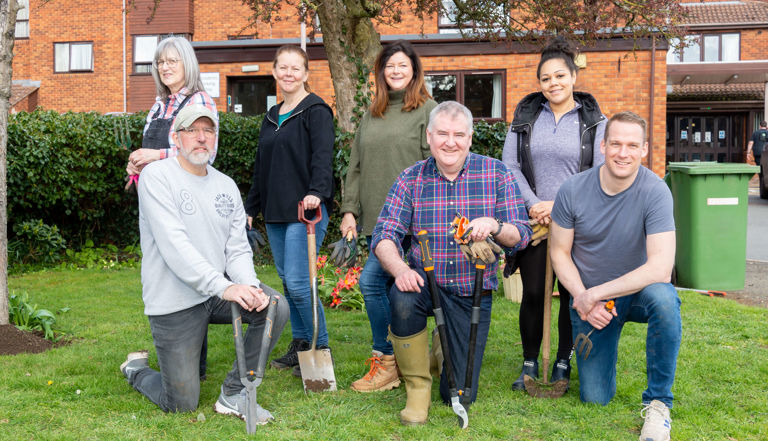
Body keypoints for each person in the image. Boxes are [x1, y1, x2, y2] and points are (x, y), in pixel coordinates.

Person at [120, 104, 289, 424]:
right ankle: (136, 371)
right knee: (181, 401)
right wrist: (225, 286)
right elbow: (175, 247)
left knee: (273, 305)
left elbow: (237, 248)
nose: (200, 138)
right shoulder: (156, 177)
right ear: (176, 138)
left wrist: (250, 286)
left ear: (215, 138)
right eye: (192, 130)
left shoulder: (225, 185)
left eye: (208, 130)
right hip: (174, 301)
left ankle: (235, 392)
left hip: (215, 293)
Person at [372, 101, 532, 425]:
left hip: (469, 292)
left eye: (459, 134)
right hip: (424, 284)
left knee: (459, 394)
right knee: (401, 297)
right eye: (442, 133)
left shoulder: (496, 173)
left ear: (470, 138)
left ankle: (439, 354)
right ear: (429, 136)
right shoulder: (410, 179)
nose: (450, 142)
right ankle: (418, 389)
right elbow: (384, 235)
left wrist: (496, 226)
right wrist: (401, 270)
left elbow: (523, 233)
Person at [549, 111, 680, 441]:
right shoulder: (573, 190)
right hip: (592, 303)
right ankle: (602, 362)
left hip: (637, 295)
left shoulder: (656, 191)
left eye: (632, 145)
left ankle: (658, 405)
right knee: (595, 398)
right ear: (603, 145)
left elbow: (661, 267)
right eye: (616, 143)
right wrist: (584, 296)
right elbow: (559, 252)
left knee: (665, 300)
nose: (624, 153)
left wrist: (595, 293)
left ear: (645, 149)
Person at [501, 37, 606, 391]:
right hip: (534, 220)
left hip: (577, 219)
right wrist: (533, 203)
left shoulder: (594, 121)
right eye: (546, 78)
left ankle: (562, 362)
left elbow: (601, 170)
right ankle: (530, 362)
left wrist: (559, 202)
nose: (553, 84)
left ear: (574, 76)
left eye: (560, 75)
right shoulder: (525, 117)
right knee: (532, 291)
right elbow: (510, 166)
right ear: (540, 83)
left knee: (571, 293)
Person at [339, 40, 437, 393]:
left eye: (402, 65)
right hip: (375, 221)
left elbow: (436, 168)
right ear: (381, 72)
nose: (396, 71)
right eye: (389, 65)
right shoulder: (372, 112)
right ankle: (405, 357)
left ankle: (390, 359)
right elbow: (356, 166)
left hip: (412, 223)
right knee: (385, 288)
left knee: (374, 284)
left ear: (414, 71)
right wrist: (349, 210)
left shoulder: (428, 110)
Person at [125, 36, 218, 380]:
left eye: (172, 61)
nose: (165, 67)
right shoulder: (159, 104)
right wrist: (135, 164)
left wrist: (156, 156)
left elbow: (208, 151)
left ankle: (196, 365)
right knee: (164, 279)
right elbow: (152, 149)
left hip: (186, 201)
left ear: (187, 64)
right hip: (155, 201)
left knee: (190, 274)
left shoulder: (200, 100)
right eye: (160, 62)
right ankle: (180, 361)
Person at [245, 45, 335, 378]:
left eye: (295, 68)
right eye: (283, 68)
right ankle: (300, 347)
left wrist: (316, 193)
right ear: (274, 71)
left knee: (299, 285)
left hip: (305, 212)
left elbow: (323, 158)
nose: (288, 74)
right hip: (276, 213)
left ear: (306, 74)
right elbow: (261, 168)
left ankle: (320, 347)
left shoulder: (316, 111)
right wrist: (251, 208)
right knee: (287, 281)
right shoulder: (271, 117)